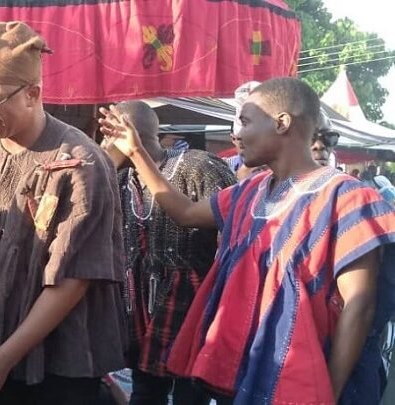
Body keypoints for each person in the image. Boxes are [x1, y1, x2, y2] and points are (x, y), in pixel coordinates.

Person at [99, 77, 395, 404]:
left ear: (282, 123)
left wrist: (329, 393)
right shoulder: (247, 193)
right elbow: (184, 212)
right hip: (248, 376)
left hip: (309, 384)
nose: (236, 133)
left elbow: (360, 306)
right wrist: (137, 152)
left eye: (245, 121)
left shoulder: (348, 198)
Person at [0, 21, 127, 404]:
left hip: (53, 365)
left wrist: (2, 360)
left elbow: (73, 279)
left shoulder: (80, 162)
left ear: (33, 93)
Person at [102, 101, 236, 405]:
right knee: (145, 390)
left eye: (110, 133)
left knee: (192, 392)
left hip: (193, 300)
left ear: (131, 134)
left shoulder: (197, 165)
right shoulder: (121, 178)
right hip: (140, 302)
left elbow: (233, 232)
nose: (105, 142)